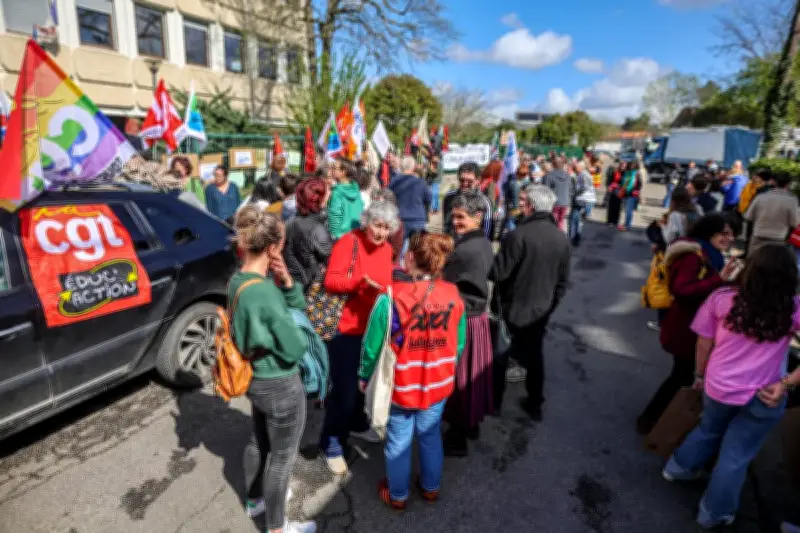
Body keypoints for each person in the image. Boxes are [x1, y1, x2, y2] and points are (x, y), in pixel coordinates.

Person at [663, 244, 800, 530]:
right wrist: (787, 382)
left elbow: (704, 342)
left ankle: (678, 468)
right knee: (736, 454)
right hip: (766, 394)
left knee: (708, 430)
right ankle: (713, 513)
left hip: (719, 386)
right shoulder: (794, 307)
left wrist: (699, 376)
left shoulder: (723, 298)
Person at [358, 231, 465, 509]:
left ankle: (398, 495)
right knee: (430, 435)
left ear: (411, 257)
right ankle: (430, 488)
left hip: (402, 384)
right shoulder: (453, 294)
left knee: (398, 440)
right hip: (438, 383)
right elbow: (459, 342)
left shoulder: (391, 296)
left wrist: (364, 376)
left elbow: (372, 346)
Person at [229, 207, 317, 533]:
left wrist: (288, 282)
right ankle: (277, 527)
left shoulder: (239, 280)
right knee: (281, 459)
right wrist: (285, 288)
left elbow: (294, 306)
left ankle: (256, 500)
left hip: (255, 377)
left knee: (258, 441)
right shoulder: (264, 293)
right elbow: (296, 346)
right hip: (279, 382)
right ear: (272, 248)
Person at [636, 214, 738, 434]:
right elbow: (682, 290)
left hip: (694, 326)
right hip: (686, 328)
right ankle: (650, 420)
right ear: (709, 231)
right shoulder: (694, 256)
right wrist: (719, 280)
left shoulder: (710, 253)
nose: (730, 238)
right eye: (725, 233)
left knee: (681, 375)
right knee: (681, 376)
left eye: (732, 234)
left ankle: (655, 418)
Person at [319, 201, 398, 474]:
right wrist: (358, 283)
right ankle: (331, 443)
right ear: (367, 222)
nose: (381, 233)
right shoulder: (348, 242)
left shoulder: (387, 249)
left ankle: (357, 423)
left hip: (372, 330)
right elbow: (331, 281)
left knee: (359, 386)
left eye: (387, 228)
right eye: (377, 225)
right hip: (347, 328)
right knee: (343, 390)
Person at [490, 185, 571, 420]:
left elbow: (498, 273)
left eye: (524, 201)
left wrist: (494, 261)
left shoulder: (517, 235)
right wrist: (550, 306)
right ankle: (535, 404)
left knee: (500, 358)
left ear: (530, 207)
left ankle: (495, 403)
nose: (520, 205)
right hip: (540, 309)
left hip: (512, 307)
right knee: (534, 358)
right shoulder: (561, 238)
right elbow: (563, 282)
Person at [441, 191, 495, 456]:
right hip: (478, 317)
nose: (456, 222)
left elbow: (445, 284)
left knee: (461, 381)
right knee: (473, 378)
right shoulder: (483, 242)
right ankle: (471, 425)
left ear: (478, 216)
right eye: (454, 217)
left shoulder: (463, 250)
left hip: (467, 320)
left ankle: (458, 437)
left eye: (461, 217)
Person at [283, 177, 332, 292]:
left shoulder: (291, 221)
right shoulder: (317, 229)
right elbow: (330, 260)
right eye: (327, 192)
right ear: (319, 199)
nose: (330, 194)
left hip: (292, 284)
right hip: (310, 289)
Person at [745, 171, 798, 253]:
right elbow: (795, 223)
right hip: (778, 241)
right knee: (772, 264)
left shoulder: (761, 197)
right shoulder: (792, 201)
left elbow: (748, 217)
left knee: (753, 263)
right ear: (788, 184)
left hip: (758, 237)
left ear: (774, 182)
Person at [442, 162, 492, 238]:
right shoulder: (449, 197)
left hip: (474, 244)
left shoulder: (484, 201)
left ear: (478, 181)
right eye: (462, 180)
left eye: (470, 181)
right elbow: (446, 224)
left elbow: (487, 230)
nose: (465, 184)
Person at [389, 155, 432, 241]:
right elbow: (429, 199)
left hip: (399, 218)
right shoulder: (420, 182)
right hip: (417, 218)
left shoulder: (393, 182)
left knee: (399, 250)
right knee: (417, 249)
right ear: (414, 167)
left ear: (401, 166)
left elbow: (389, 199)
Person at [327, 158, 364, 239]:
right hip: (355, 235)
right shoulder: (356, 190)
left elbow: (334, 216)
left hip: (340, 238)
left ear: (343, 172)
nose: (332, 170)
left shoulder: (337, 192)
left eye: (334, 168)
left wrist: (333, 236)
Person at [371, 188, 405, 264]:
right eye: (374, 202)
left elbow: (395, 249)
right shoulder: (370, 219)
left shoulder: (396, 223)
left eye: (379, 203)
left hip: (384, 263)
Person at [568, 161, 597, 246]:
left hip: (580, 200)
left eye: (576, 167)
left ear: (581, 167)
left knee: (574, 220)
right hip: (581, 200)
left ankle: (573, 239)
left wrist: (575, 193)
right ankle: (574, 239)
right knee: (576, 220)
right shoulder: (582, 175)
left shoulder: (583, 175)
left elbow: (585, 187)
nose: (574, 168)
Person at [543, 158, 572, 231]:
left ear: (553, 165)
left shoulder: (549, 175)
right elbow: (570, 189)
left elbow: (545, 190)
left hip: (554, 203)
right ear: (562, 165)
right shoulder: (568, 176)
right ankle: (559, 238)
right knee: (560, 222)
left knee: (552, 222)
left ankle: (554, 238)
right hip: (565, 202)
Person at [502, 164, 528, 234]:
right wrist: (518, 208)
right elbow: (515, 198)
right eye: (523, 175)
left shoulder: (512, 180)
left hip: (511, 205)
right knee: (511, 222)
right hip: (515, 206)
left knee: (510, 221)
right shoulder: (516, 184)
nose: (524, 177)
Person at [618, 161, 642, 232]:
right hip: (625, 193)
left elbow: (640, 184)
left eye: (634, 165)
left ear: (636, 166)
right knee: (626, 210)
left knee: (629, 211)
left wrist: (636, 190)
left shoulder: (637, 173)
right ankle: (626, 224)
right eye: (631, 165)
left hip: (632, 194)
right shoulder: (626, 172)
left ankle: (627, 226)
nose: (632, 167)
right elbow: (621, 181)